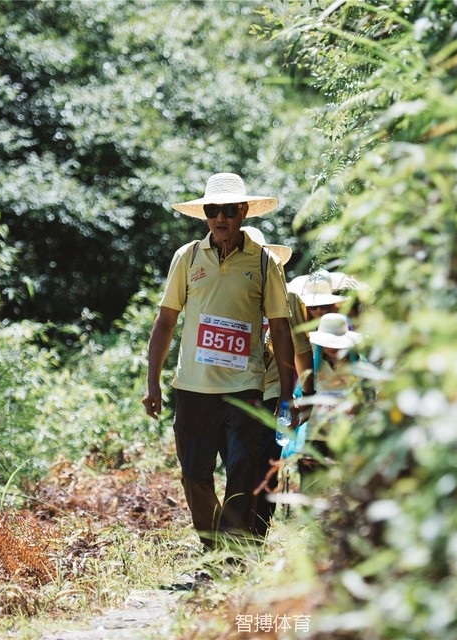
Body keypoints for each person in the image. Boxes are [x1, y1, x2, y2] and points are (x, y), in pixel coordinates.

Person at [142, 173, 296, 549]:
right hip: (193, 386)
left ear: (243, 212)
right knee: (194, 474)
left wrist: (289, 393)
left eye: (229, 210)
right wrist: (153, 382)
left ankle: (231, 552)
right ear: (205, 214)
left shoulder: (263, 263)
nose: (221, 217)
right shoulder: (188, 256)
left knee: (242, 472)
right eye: (213, 210)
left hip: (245, 387)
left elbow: (280, 328)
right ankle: (216, 544)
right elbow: (165, 321)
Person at [241, 227, 313, 538]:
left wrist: (305, 394)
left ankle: (257, 532)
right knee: (239, 462)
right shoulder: (232, 291)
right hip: (235, 387)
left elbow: (301, 349)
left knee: (266, 463)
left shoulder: (290, 298)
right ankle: (237, 528)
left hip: (271, 391)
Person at [297, 312, 365, 489]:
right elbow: (300, 396)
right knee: (311, 486)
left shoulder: (360, 367)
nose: (332, 347)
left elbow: (369, 399)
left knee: (344, 486)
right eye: (328, 342)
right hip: (316, 435)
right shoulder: (310, 367)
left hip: (347, 435)